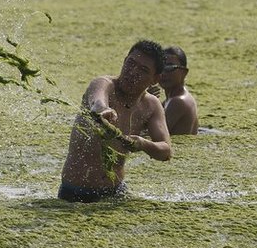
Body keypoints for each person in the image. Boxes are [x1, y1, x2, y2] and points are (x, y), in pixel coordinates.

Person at [58, 40, 172, 203]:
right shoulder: (104, 84)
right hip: (75, 194)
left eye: (143, 70)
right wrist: (104, 111)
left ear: (155, 79)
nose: (132, 72)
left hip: (116, 193)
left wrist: (142, 144)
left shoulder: (151, 106)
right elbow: (97, 101)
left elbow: (165, 151)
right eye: (131, 63)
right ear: (125, 61)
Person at [158, 46, 199, 136]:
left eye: (169, 67)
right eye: (161, 68)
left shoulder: (178, 102)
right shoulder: (168, 101)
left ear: (184, 72)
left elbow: (154, 135)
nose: (163, 73)